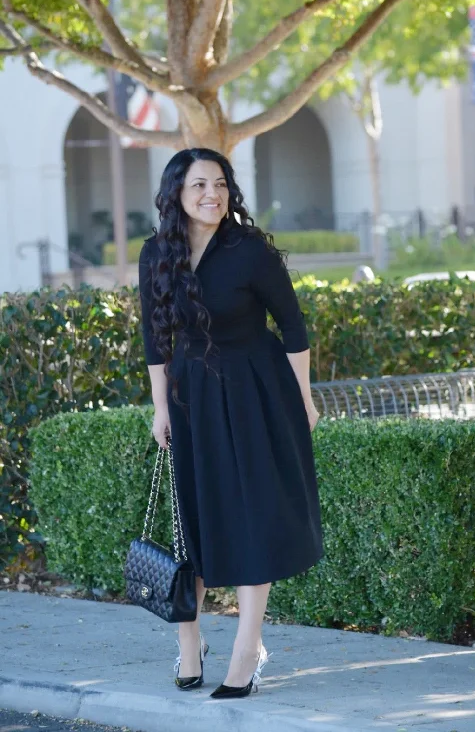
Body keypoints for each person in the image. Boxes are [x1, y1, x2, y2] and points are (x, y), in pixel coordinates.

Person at [138, 148, 323, 699]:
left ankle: (247, 649)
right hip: (190, 396)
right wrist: (160, 407)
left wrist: (305, 399)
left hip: (254, 392)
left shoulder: (249, 251)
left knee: (250, 517)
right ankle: (189, 644)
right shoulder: (155, 254)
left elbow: (292, 327)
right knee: (192, 521)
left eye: (220, 184)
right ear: (176, 193)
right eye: (198, 185)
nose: (211, 195)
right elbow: (154, 339)